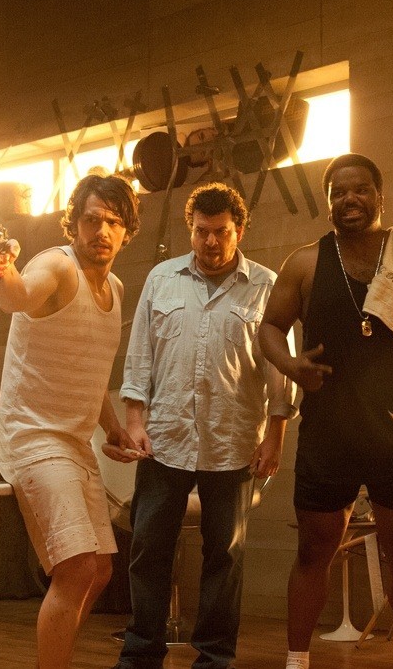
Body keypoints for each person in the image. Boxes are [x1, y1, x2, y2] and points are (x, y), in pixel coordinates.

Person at [259, 153, 393, 669]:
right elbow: (269, 327)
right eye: (338, 192)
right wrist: (290, 364)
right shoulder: (305, 263)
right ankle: (296, 661)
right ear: (329, 202)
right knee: (313, 551)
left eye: (359, 190)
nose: (349, 199)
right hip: (328, 432)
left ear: (380, 197)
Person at [109, 182, 296, 669]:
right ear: (190, 230)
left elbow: (279, 369)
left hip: (234, 442)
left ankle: (214, 659)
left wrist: (276, 436)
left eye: (221, 232)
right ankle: (140, 654)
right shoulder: (162, 278)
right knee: (148, 549)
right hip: (164, 439)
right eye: (201, 232)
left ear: (239, 230)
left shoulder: (266, 285)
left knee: (225, 557)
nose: (210, 242)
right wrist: (134, 420)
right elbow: (140, 354)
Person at [0, 172, 142, 669]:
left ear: (126, 232)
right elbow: (18, 296)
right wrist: (1, 268)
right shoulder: (56, 264)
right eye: (91, 219)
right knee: (75, 569)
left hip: (75, 444)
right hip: (32, 438)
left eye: (113, 222)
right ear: (74, 224)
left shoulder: (115, 288)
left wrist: (113, 428)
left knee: (101, 570)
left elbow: (90, 373)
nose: (102, 231)